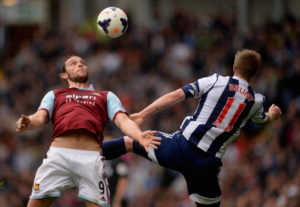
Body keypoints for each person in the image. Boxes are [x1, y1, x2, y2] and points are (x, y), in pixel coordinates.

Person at [102, 49, 282, 207]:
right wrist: (272, 115)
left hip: (181, 148)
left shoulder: (215, 81)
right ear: (254, 74)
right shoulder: (256, 101)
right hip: (206, 165)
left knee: (130, 143)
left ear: (234, 68)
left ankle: (88, 154)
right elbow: (262, 120)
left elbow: (175, 96)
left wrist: (143, 114)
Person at [15, 56, 161, 207]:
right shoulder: (55, 94)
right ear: (64, 74)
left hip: (90, 160)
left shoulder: (106, 96)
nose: (79, 64)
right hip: (59, 156)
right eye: (73, 63)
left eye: (82, 63)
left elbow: (123, 121)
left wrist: (138, 135)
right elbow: (40, 118)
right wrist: (29, 122)